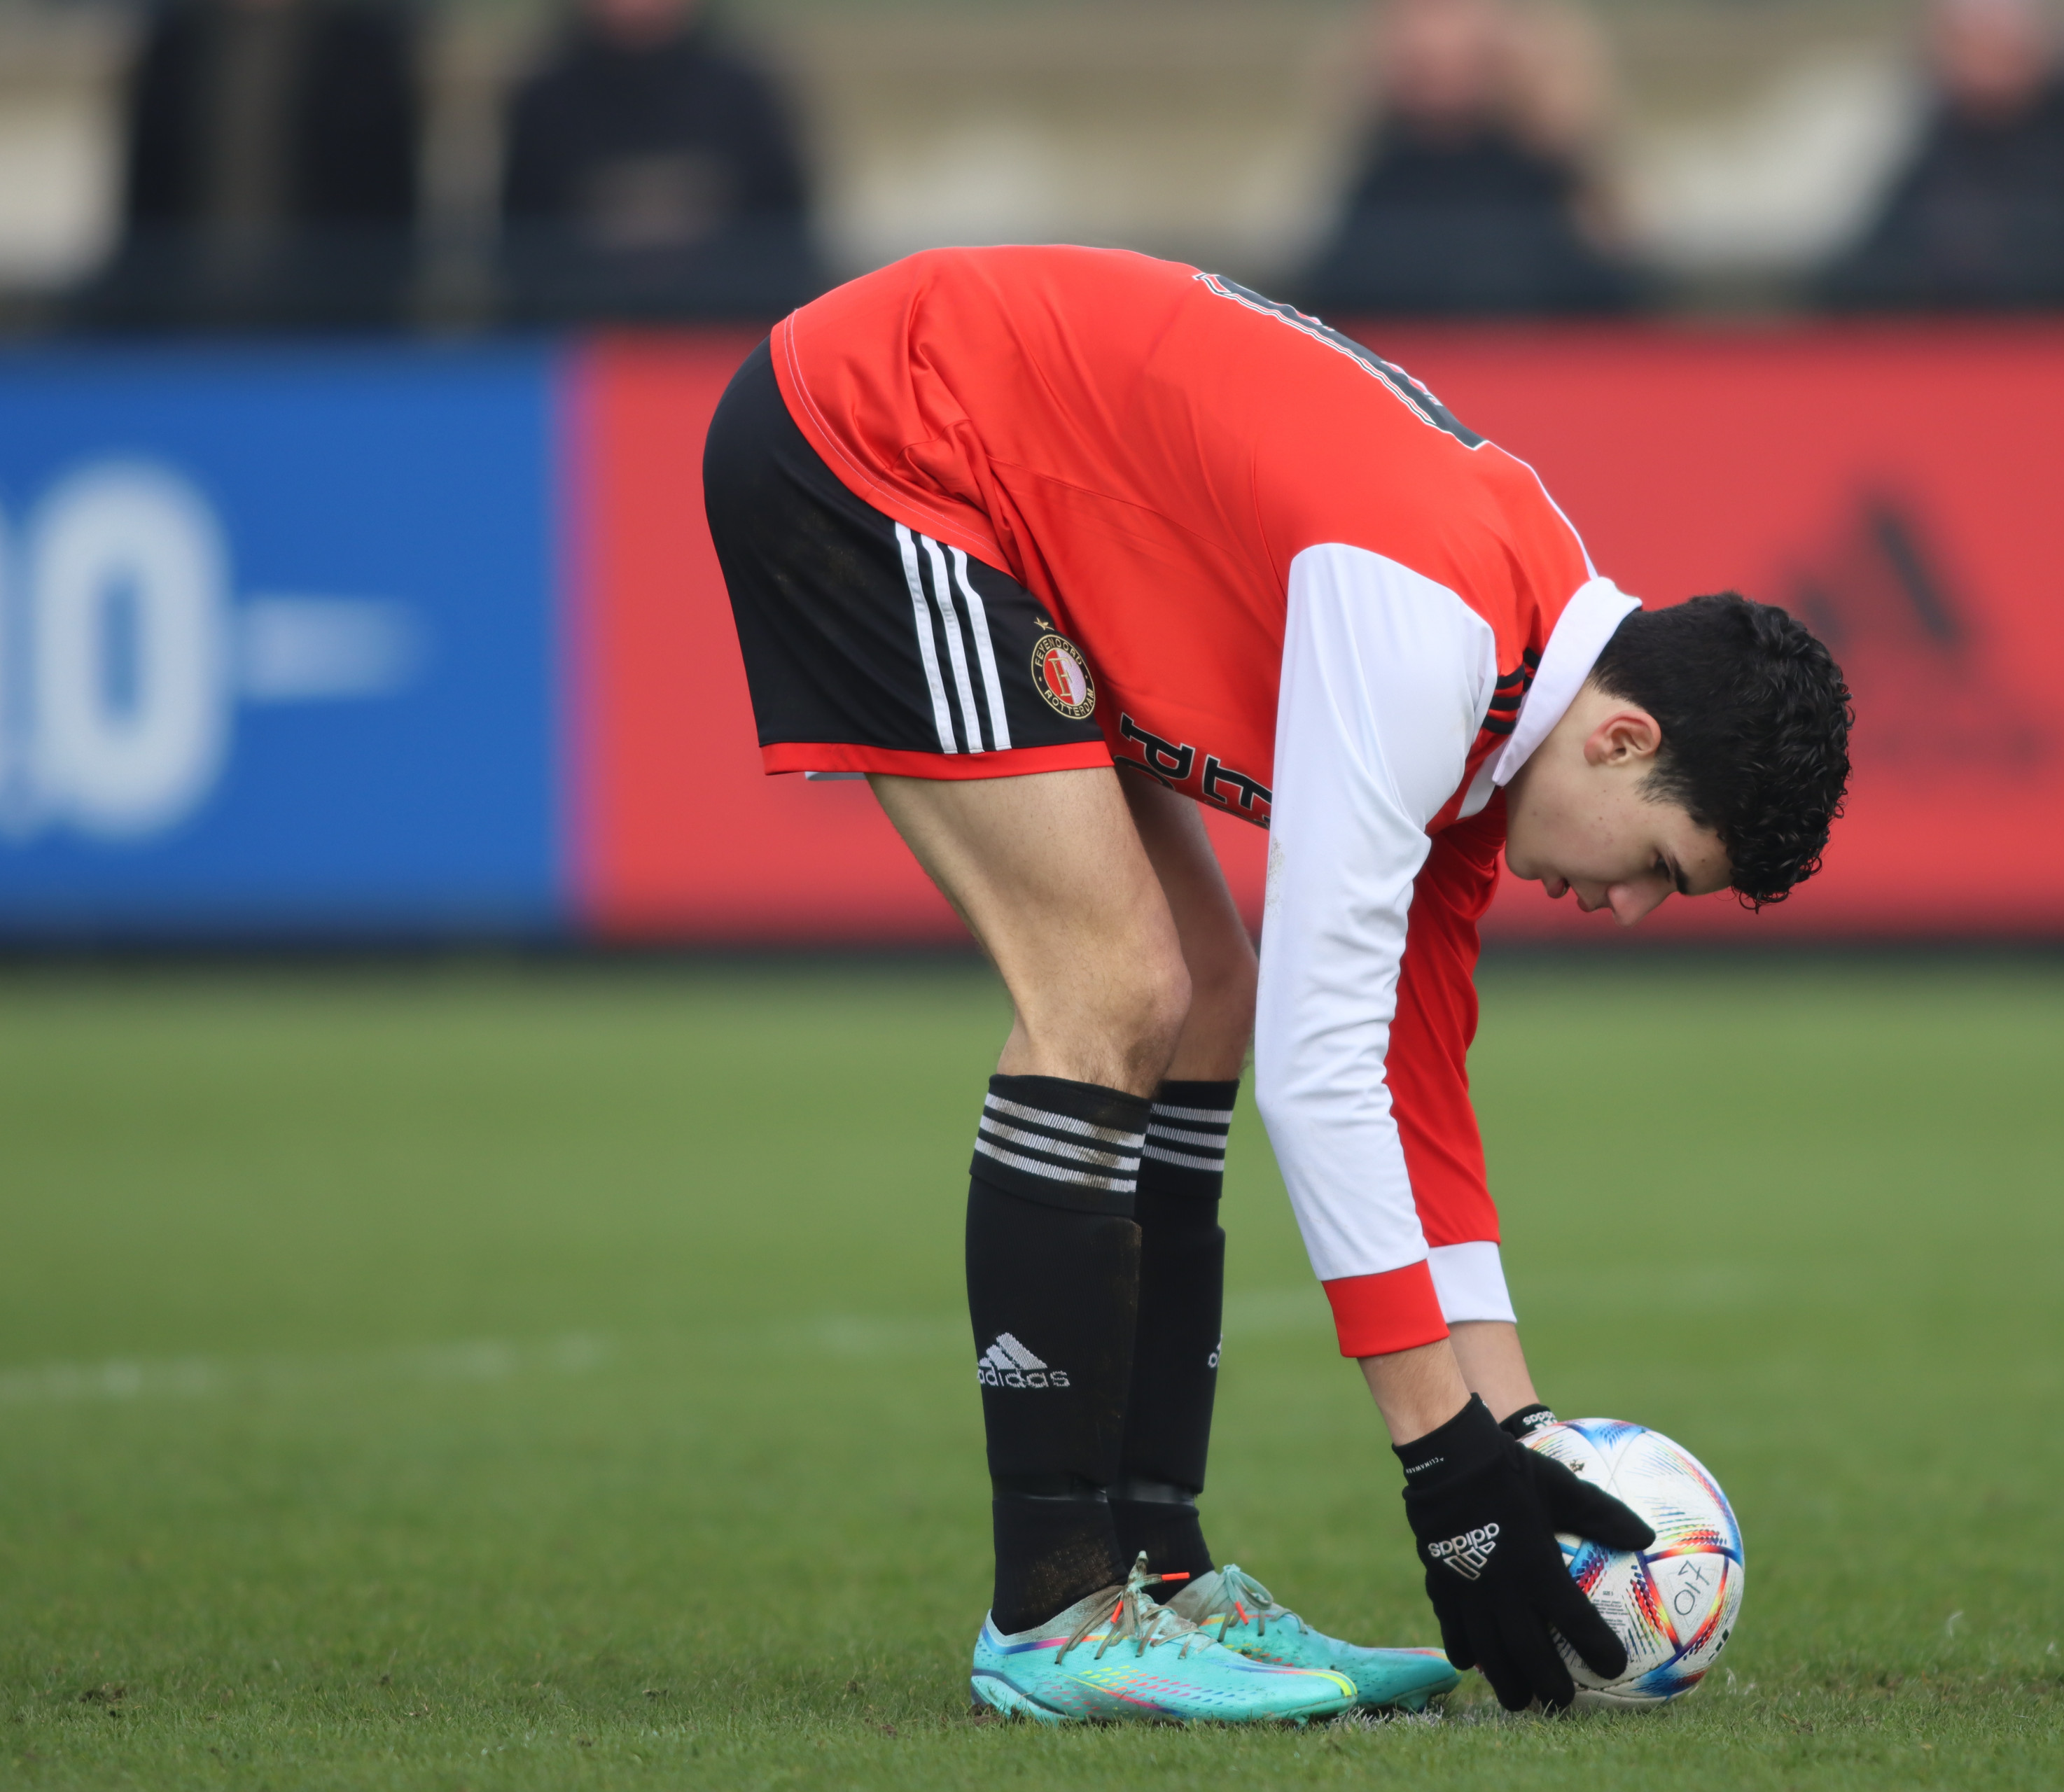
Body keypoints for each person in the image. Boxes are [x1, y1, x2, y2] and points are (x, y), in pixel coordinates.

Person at [698, 246, 1850, 1721]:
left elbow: (1410, 1077)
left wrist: (1518, 1432)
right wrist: (1444, 1466)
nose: (1626, 906)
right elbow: (1323, 1078)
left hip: (985, 484)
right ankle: (1053, 1608)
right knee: (1109, 985)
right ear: (1624, 742)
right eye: (1661, 867)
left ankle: (1158, 1574)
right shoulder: (1432, 623)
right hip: (871, 434)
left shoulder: (1525, 660)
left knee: (1207, 994)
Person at [1815, 0, 2064, 313]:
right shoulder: (1944, 130)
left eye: (1991, 45)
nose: (1976, 62)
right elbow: (1869, 264)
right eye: (1962, 46)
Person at [86, 0, 421, 330]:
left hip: (329, 312)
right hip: (193, 308)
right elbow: (145, 193)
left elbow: (390, 195)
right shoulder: (177, 41)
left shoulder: (362, 43)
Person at [1300, 0, 1638, 318]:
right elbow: (1330, 294)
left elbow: (1618, 297)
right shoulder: (1374, 166)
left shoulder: (1551, 166)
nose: (1434, 37)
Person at [500, 0, 821, 323]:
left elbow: (783, 233)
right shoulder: (547, 102)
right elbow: (522, 244)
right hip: (585, 340)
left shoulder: (740, 94)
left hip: (722, 332)